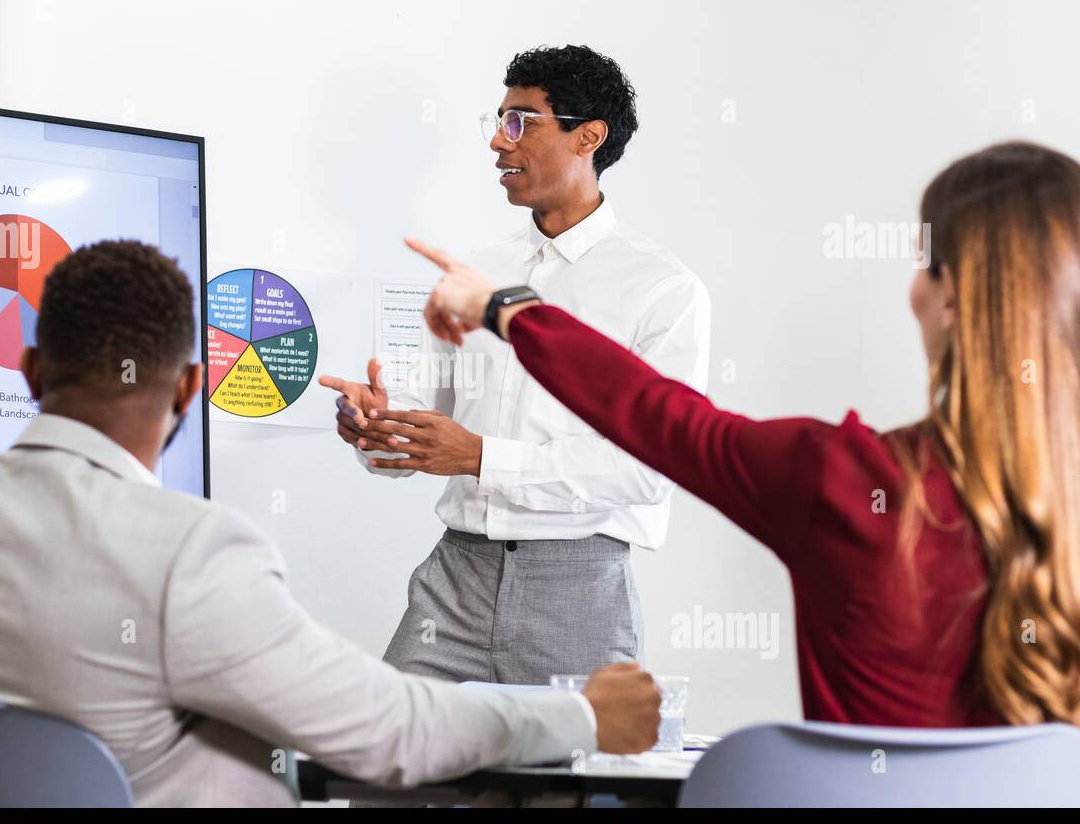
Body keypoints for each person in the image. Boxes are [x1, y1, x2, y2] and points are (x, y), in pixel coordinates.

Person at [0, 239, 662, 807]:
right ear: (190, 389)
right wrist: (584, 716)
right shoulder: (187, 550)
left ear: (29, 371)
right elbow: (390, 732)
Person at [404, 140, 1080, 727]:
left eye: (919, 262)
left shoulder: (842, 482)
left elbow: (654, 414)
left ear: (950, 294)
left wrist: (506, 308)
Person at [319, 46, 710, 685]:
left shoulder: (663, 289)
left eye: (522, 122)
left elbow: (650, 469)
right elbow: (422, 430)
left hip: (578, 590)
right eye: (498, 121)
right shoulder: (474, 275)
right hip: (454, 581)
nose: (499, 144)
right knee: (387, 770)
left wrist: (478, 456)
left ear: (589, 137)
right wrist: (377, 428)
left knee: (570, 786)